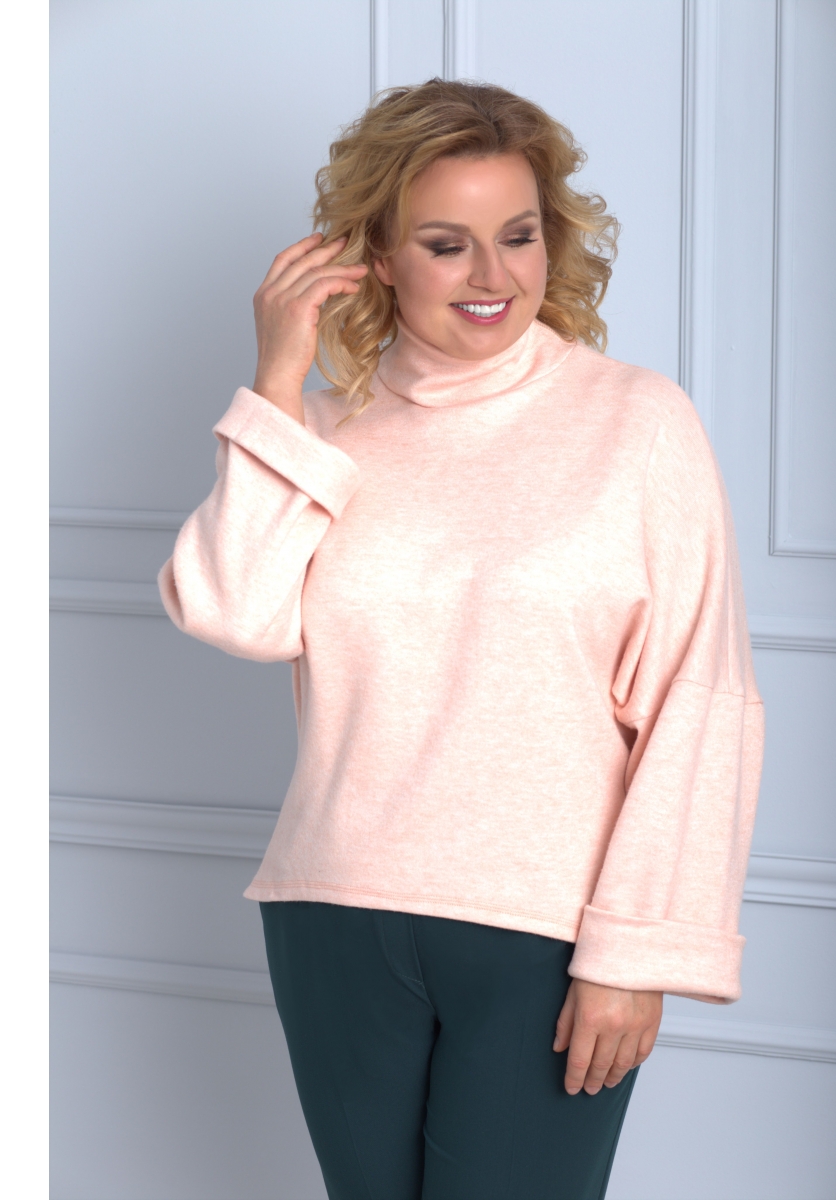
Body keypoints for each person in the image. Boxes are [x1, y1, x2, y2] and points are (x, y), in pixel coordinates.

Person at [158, 79, 764, 1200]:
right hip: (334, 915)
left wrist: (639, 953)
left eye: (518, 236)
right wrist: (278, 380)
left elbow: (698, 699)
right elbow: (234, 611)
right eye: (447, 244)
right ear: (380, 257)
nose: (493, 275)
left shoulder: (637, 421)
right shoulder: (321, 433)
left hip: (543, 934)